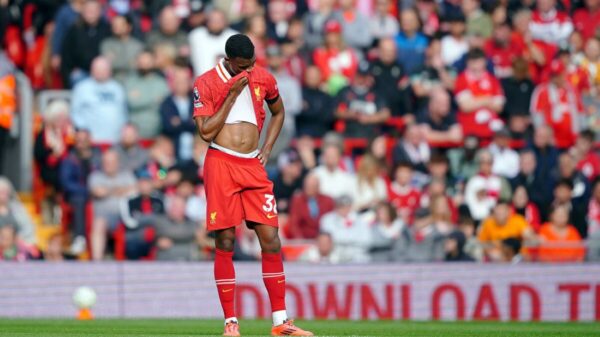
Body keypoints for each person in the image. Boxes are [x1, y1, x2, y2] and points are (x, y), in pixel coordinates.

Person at [192, 34, 313, 336]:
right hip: (221, 163)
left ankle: (281, 322)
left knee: (271, 239)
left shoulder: (263, 77)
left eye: (252, 64)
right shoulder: (206, 83)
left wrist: (268, 148)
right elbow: (205, 132)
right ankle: (231, 322)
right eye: (243, 65)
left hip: (252, 166)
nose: (248, 70)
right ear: (229, 60)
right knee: (225, 241)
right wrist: (231, 95)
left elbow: (278, 111)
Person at [88, 150, 136, 261]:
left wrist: (108, 190)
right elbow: (99, 192)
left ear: (117, 163)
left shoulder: (126, 175)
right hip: (104, 217)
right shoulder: (95, 176)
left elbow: (135, 190)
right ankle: (97, 262)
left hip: (125, 216)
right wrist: (120, 190)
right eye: (105, 162)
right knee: (99, 224)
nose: (108, 165)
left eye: (111, 162)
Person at [70, 57, 127, 144]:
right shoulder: (82, 88)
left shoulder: (117, 88)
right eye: (97, 69)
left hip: (115, 141)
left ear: (110, 71)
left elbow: (123, 112)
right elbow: (74, 113)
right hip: (92, 142)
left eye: (103, 69)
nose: (100, 72)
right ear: (91, 70)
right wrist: (83, 130)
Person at [34, 100, 73, 224]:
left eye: (63, 117)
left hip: (67, 172)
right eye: (57, 117)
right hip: (50, 172)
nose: (60, 120)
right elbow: (38, 155)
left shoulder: (71, 133)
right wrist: (53, 153)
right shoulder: (44, 134)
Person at [530, 59, 583, 149]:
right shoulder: (542, 91)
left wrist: (579, 135)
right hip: (551, 142)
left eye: (558, 75)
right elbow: (536, 115)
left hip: (572, 141)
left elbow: (580, 112)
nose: (556, 78)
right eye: (553, 75)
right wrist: (544, 136)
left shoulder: (572, 91)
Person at [454, 48, 505, 139]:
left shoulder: (493, 80)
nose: (477, 66)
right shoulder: (462, 79)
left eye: (479, 62)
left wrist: (475, 102)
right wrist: (487, 100)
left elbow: (499, 107)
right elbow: (465, 106)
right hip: (470, 131)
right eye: (474, 62)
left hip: (492, 130)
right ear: (468, 63)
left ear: (484, 62)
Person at [60, 0, 110, 88]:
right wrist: (70, 71)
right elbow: (66, 55)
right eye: (88, 11)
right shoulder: (75, 30)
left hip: (102, 73)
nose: (91, 13)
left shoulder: (107, 30)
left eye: (93, 11)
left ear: (99, 12)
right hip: (80, 72)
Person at [123, 50, 170, 139]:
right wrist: (154, 100)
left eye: (147, 62)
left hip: (157, 134)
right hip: (135, 135)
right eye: (141, 62)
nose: (144, 64)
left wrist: (140, 98)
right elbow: (132, 103)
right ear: (137, 62)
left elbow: (165, 105)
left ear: (153, 62)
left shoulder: (161, 83)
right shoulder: (130, 81)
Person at [319, 195, 372, 263]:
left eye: (347, 206)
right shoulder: (327, 219)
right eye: (341, 206)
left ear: (351, 206)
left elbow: (367, 241)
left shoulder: (360, 220)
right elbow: (327, 241)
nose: (344, 209)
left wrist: (342, 241)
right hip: (336, 256)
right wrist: (352, 240)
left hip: (358, 256)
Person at [160, 65, 196, 162]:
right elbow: (168, 126)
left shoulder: (196, 101)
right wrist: (189, 122)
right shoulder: (167, 103)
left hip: (195, 153)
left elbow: (198, 125)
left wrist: (179, 122)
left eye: (184, 81)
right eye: (178, 82)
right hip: (174, 153)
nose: (181, 85)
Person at [464, 149, 511, 223]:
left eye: (489, 162)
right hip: (476, 218)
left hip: (496, 220)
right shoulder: (473, 180)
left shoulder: (500, 180)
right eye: (483, 162)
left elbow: (506, 198)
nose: (486, 165)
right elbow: (468, 200)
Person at [189, 9, 238, 76]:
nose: (215, 23)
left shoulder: (235, 37)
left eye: (218, 20)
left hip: (227, 83)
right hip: (200, 82)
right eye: (212, 20)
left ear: (226, 21)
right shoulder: (196, 35)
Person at [286, 173, 334, 239]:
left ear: (318, 187)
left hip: (324, 238)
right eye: (307, 186)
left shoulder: (328, 201)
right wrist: (299, 238)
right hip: (304, 238)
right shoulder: (297, 200)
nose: (309, 189)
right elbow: (294, 223)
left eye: (312, 186)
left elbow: (332, 221)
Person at [155, 195, 203, 261]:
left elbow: (200, 238)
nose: (176, 209)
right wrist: (157, 241)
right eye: (174, 206)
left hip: (189, 258)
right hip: (166, 259)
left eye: (179, 207)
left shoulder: (192, 223)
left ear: (184, 208)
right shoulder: (161, 221)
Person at [100, 14, 144, 81]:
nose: (116, 27)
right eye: (114, 25)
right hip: (111, 80)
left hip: (133, 80)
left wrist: (115, 61)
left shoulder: (138, 46)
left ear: (129, 27)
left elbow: (138, 66)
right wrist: (129, 63)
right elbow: (107, 65)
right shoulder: (106, 44)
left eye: (120, 24)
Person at [296, 66, 335, 137]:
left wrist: (309, 110)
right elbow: (298, 114)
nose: (312, 78)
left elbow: (328, 116)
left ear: (320, 77)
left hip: (322, 132)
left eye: (314, 76)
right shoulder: (298, 94)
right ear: (305, 77)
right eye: (310, 75)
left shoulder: (326, 96)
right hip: (302, 133)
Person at [0, 177, 35, 245]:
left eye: (5, 192)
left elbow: (28, 227)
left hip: (18, 244)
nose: (3, 195)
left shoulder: (17, 208)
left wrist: (18, 238)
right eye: (1, 192)